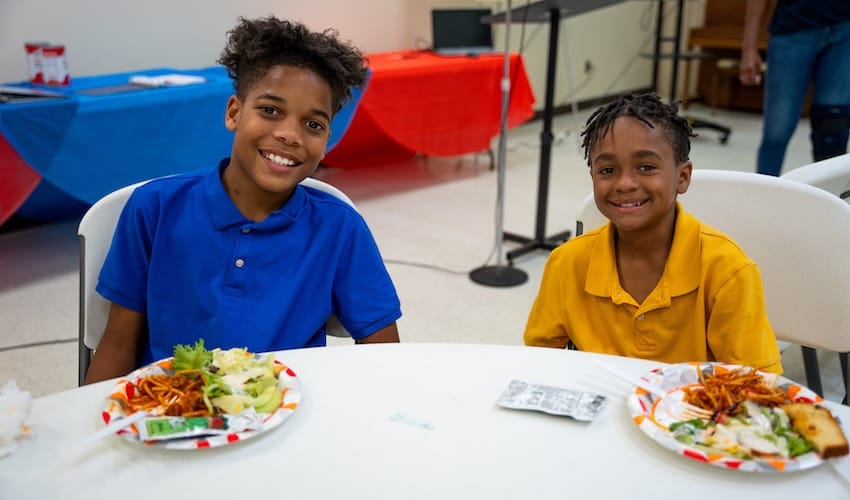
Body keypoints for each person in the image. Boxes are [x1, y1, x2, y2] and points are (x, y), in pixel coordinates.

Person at [85, 16, 401, 383]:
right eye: (270, 110)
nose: (289, 135)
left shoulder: (339, 227)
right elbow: (118, 346)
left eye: (313, 124)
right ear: (234, 112)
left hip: (288, 415)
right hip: (172, 414)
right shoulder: (153, 209)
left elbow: (385, 358)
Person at [523, 92, 783, 374]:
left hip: (695, 414)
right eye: (607, 170)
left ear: (682, 177)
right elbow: (539, 363)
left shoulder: (727, 271)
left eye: (646, 167)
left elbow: (757, 388)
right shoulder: (566, 263)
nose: (624, 183)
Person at [740, 0, 850, 176]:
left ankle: (830, 201)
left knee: (833, 130)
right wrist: (749, 46)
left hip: (845, 29)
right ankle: (763, 197)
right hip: (793, 28)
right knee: (777, 132)